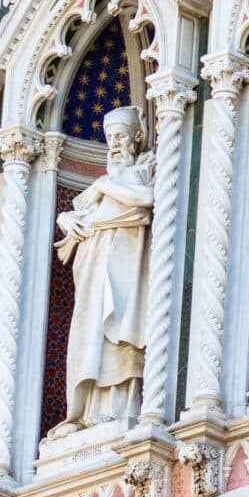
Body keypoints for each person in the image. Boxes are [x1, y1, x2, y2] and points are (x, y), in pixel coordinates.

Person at [51, 108, 154, 435]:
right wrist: (65, 219)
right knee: (92, 339)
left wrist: (102, 185)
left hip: (129, 266)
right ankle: (86, 412)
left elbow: (146, 198)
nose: (114, 145)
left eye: (121, 137)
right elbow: (79, 213)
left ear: (138, 136)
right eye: (110, 138)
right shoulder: (108, 180)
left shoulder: (149, 166)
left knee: (121, 337)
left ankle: (122, 408)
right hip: (94, 267)